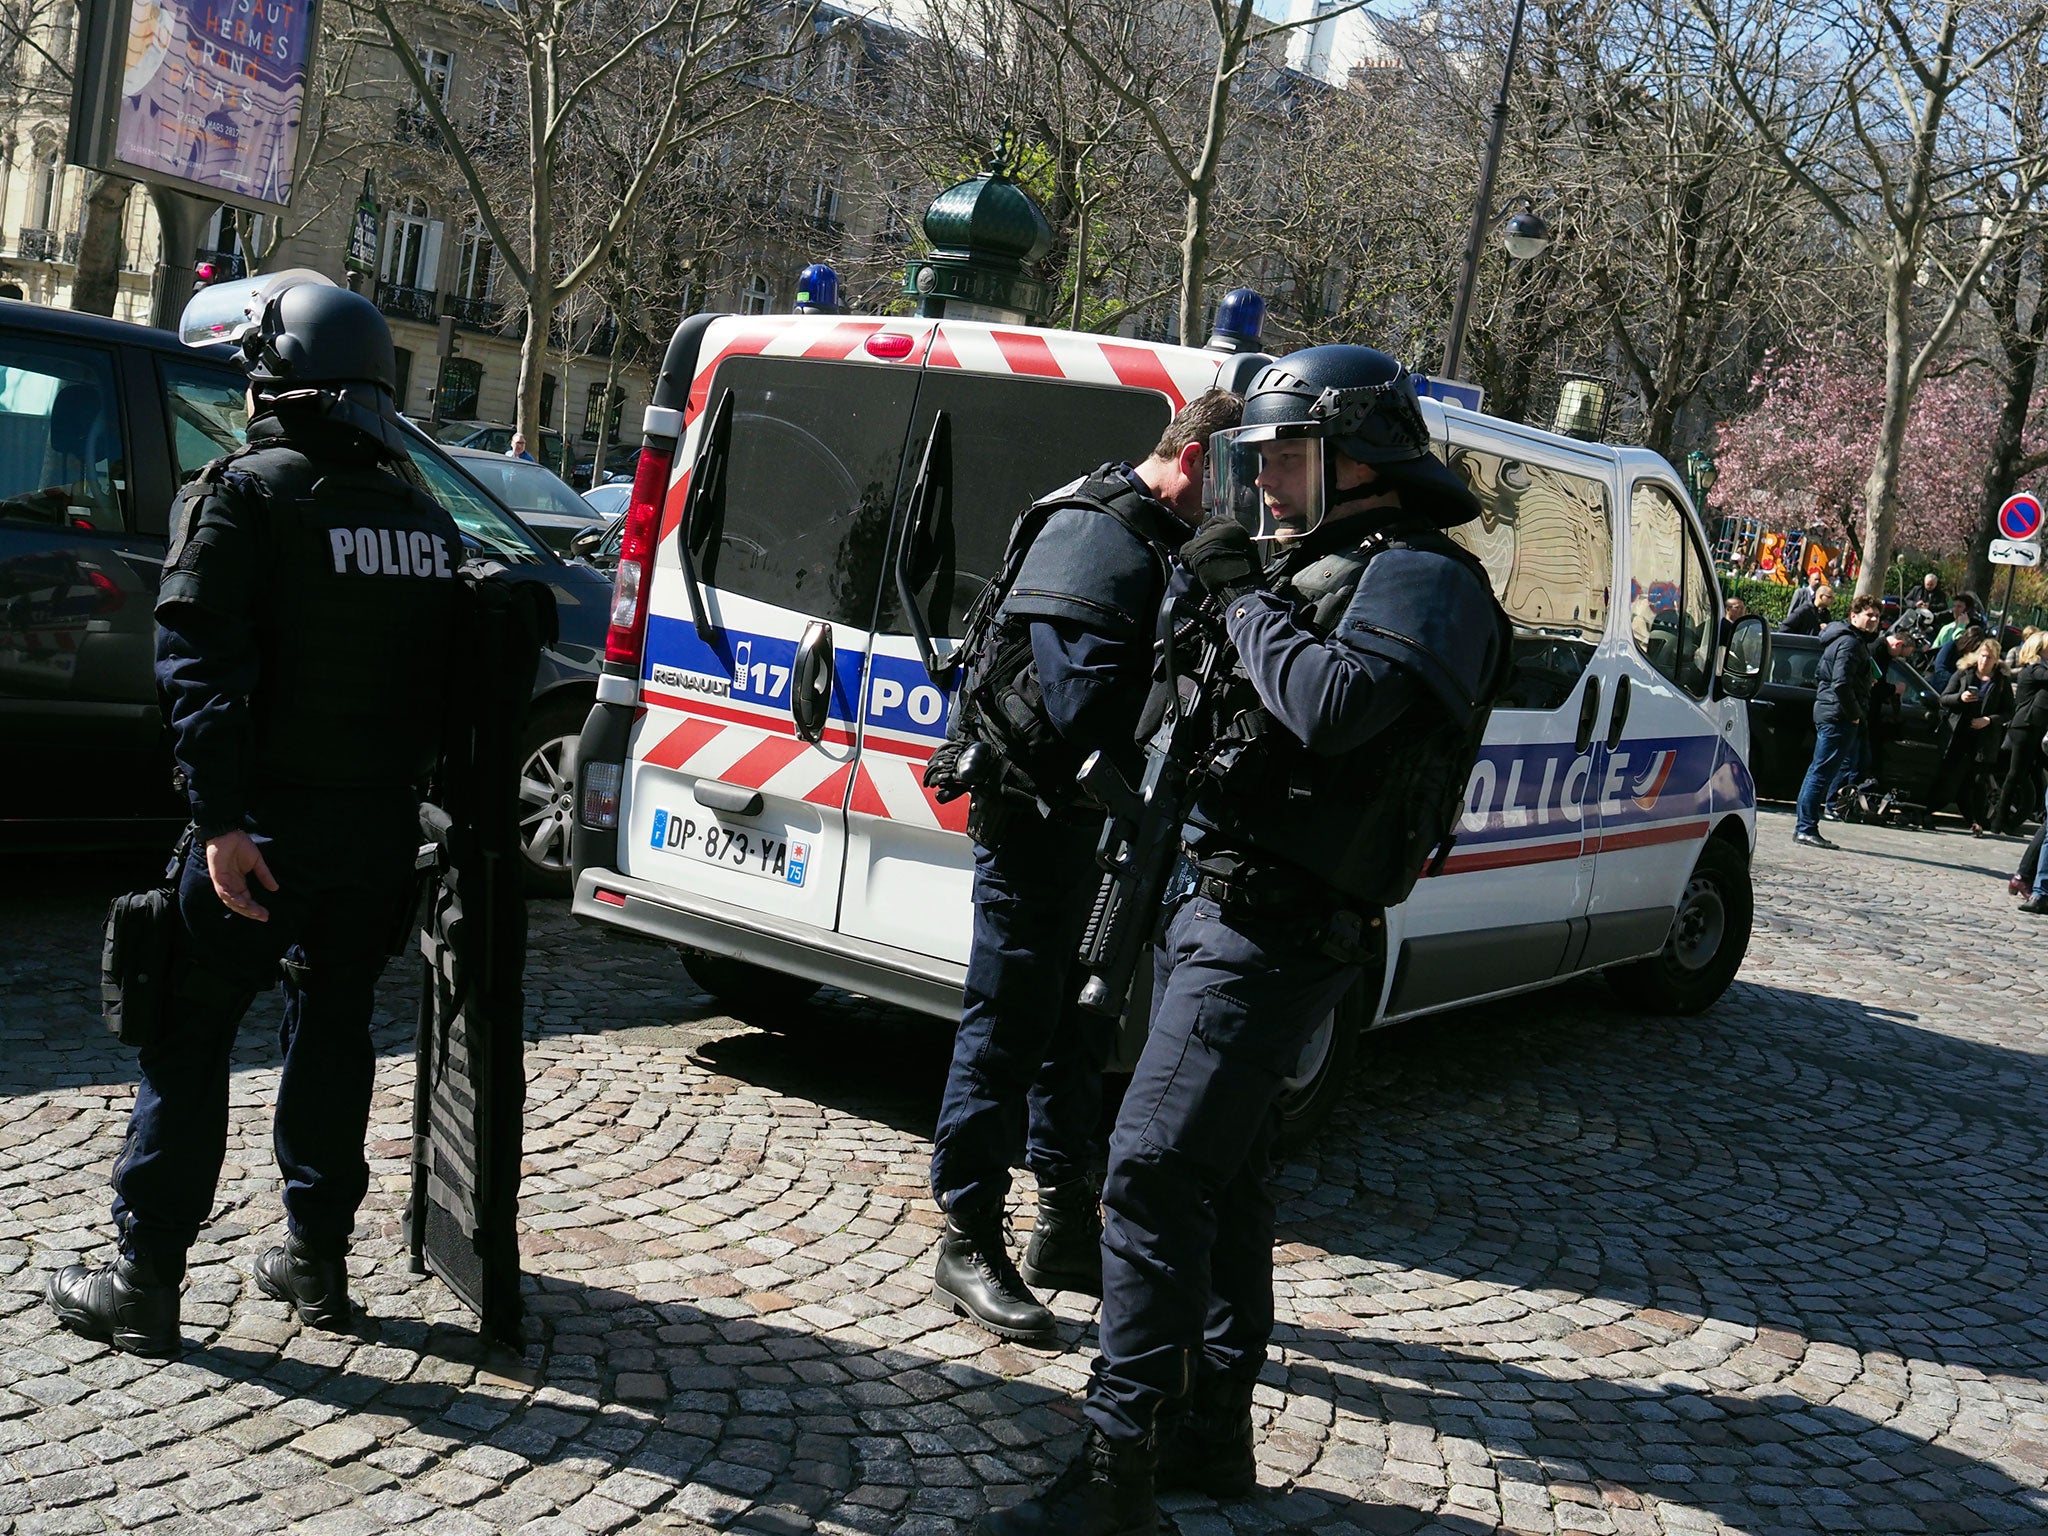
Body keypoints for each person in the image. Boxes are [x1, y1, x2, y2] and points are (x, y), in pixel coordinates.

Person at [976, 347, 1510, 1534]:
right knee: (1219, 1177)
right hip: (1210, 901)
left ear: (1355, 459)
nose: (1261, 482)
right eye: (1255, 460)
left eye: (1283, 458)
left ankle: (1116, 1474)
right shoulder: (1313, 567)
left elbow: (1330, 709)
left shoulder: (1425, 579)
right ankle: (1208, 1435)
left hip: (1276, 925)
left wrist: (1241, 600)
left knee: (1152, 1171)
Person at [47, 280, 462, 1358]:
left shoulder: (242, 494)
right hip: (376, 836)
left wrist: (221, 822)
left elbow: (198, 674)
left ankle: (144, 1282)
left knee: (186, 1041)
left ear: (275, 382)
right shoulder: (420, 512)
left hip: (262, 837)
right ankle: (314, 1263)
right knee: (334, 1036)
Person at [924, 391, 1243, 1345]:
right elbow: (1080, 709)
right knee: (1009, 1020)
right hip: (1036, 817)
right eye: (1235, 481)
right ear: (1193, 459)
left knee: (1077, 1020)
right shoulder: (1098, 534)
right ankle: (966, 1231)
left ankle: (1065, 1222)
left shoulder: (1144, 533)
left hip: (1087, 826)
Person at [1793, 595, 1884, 849]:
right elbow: (1840, 682)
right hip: (1837, 715)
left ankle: (1805, 825)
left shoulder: (1851, 641)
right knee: (1821, 772)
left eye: (1877, 616)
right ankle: (1806, 827)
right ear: (1853, 616)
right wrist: (1854, 713)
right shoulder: (1849, 643)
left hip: (1833, 712)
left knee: (1819, 770)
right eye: (1869, 614)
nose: (1874, 620)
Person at [1922, 639, 2011, 833]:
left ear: (1996, 660)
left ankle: (1975, 820)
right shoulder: (1964, 673)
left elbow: (2008, 711)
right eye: (1982, 655)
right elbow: (1944, 699)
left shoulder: (2001, 681)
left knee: (1977, 782)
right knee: (1948, 778)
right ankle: (1927, 812)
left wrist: (1989, 719)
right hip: (1958, 734)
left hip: (1983, 739)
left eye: (1989, 658)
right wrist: (1960, 698)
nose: (1984, 661)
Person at [1990, 631, 2048, 835]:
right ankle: (1999, 821)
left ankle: (2029, 814)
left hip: (2030, 728)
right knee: (2014, 775)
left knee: (2020, 775)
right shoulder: (2035, 669)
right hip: (2025, 727)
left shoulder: (2037, 669)